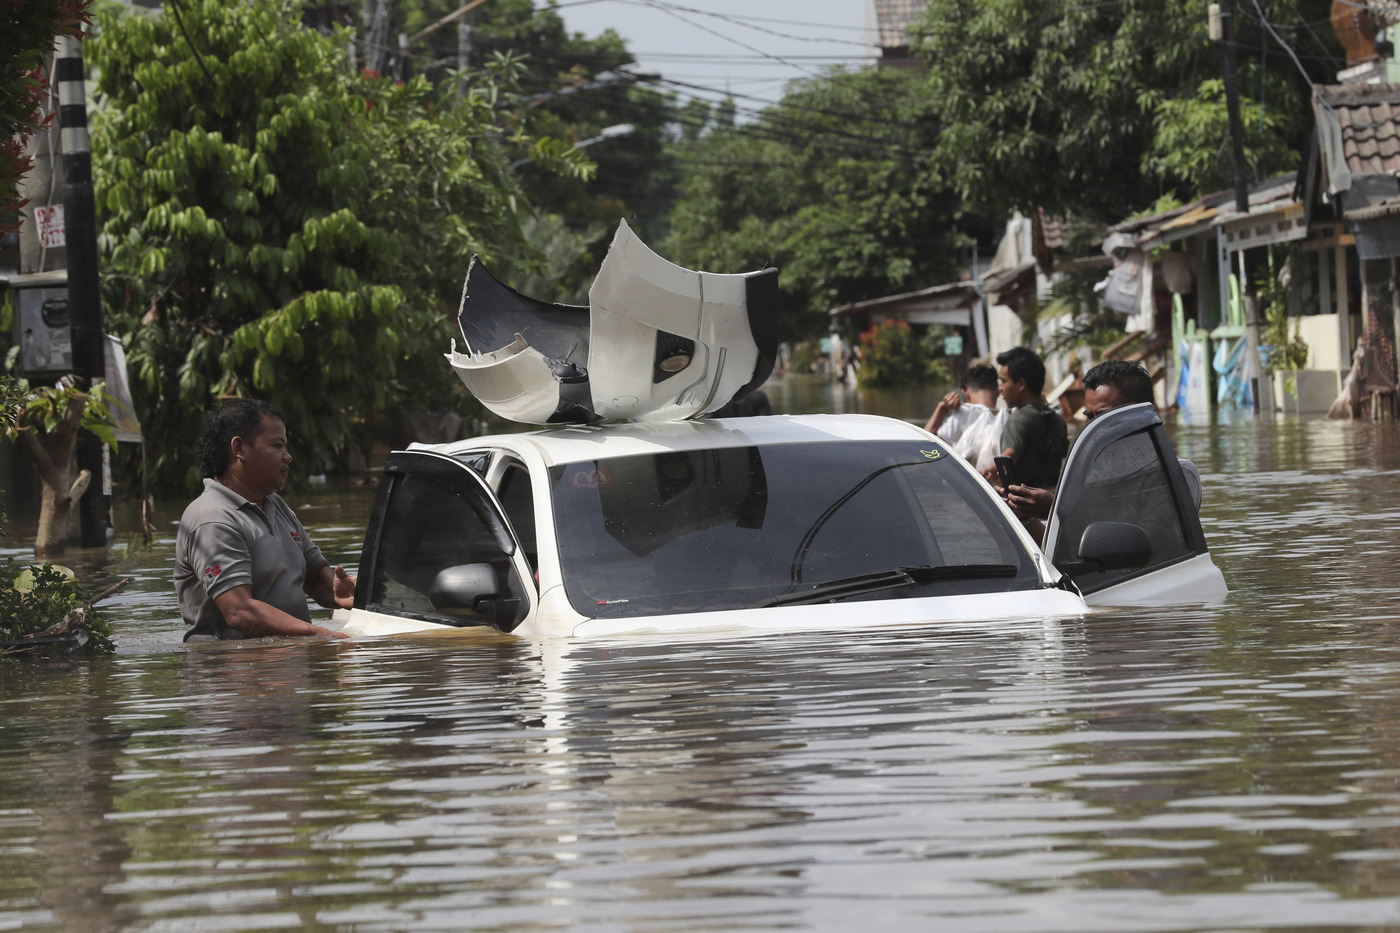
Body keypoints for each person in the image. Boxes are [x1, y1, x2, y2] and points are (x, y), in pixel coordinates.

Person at [175, 399, 353, 641]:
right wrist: (322, 635)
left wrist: (339, 591)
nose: (287, 457)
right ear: (239, 449)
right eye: (277, 446)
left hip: (290, 663)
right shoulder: (212, 519)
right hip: (230, 671)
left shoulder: (274, 504)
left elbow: (314, 576)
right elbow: (241, 612)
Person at [1004, 359, 1201, 539]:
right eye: (1090, 417)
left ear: (1144, 414)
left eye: (1105, 417)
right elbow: (1060, 555)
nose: (1094, 427)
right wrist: (1023, 516)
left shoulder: (1179, 476)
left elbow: (1141, 543)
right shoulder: (1086, 476)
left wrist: (1056, 511)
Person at [991, 346, 1068, 490]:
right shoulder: (1058, 420)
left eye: (1003, 381)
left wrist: (988, 473)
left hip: (1023, 506)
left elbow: (1008, 457)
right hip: (1051, 503)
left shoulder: (1018, 419)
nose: (1000, 388)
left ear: (1021, 384)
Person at [923, 363, 1005, 472]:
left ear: (965, 393)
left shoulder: (964, 412)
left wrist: (941, 409)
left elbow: (923, 449)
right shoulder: (1006, 417)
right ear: (998, 391)